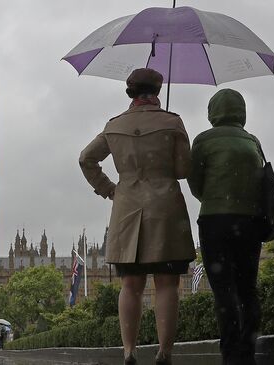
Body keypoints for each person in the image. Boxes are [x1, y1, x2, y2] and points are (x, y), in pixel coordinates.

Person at [79, 68, 195, 365]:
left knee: (131, 285)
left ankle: (129, 351)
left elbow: (86, 159)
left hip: (127, 208)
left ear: (130, 93)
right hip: (165, 210)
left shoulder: (114, 126)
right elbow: (184, 170)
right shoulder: (172, 122)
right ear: (157, 91)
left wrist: (108, 189)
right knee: (167, 284)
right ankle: (164, 352)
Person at [187, 89, 266, 365]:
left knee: (224, 290)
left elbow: (195, 183)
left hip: (215, 221)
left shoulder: (203, 141)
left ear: (213, 112)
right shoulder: (252, 141)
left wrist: (214, 197)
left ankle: (231, 354)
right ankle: (248, 351)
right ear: (241, 112)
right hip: (250, 222)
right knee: (248, 288)